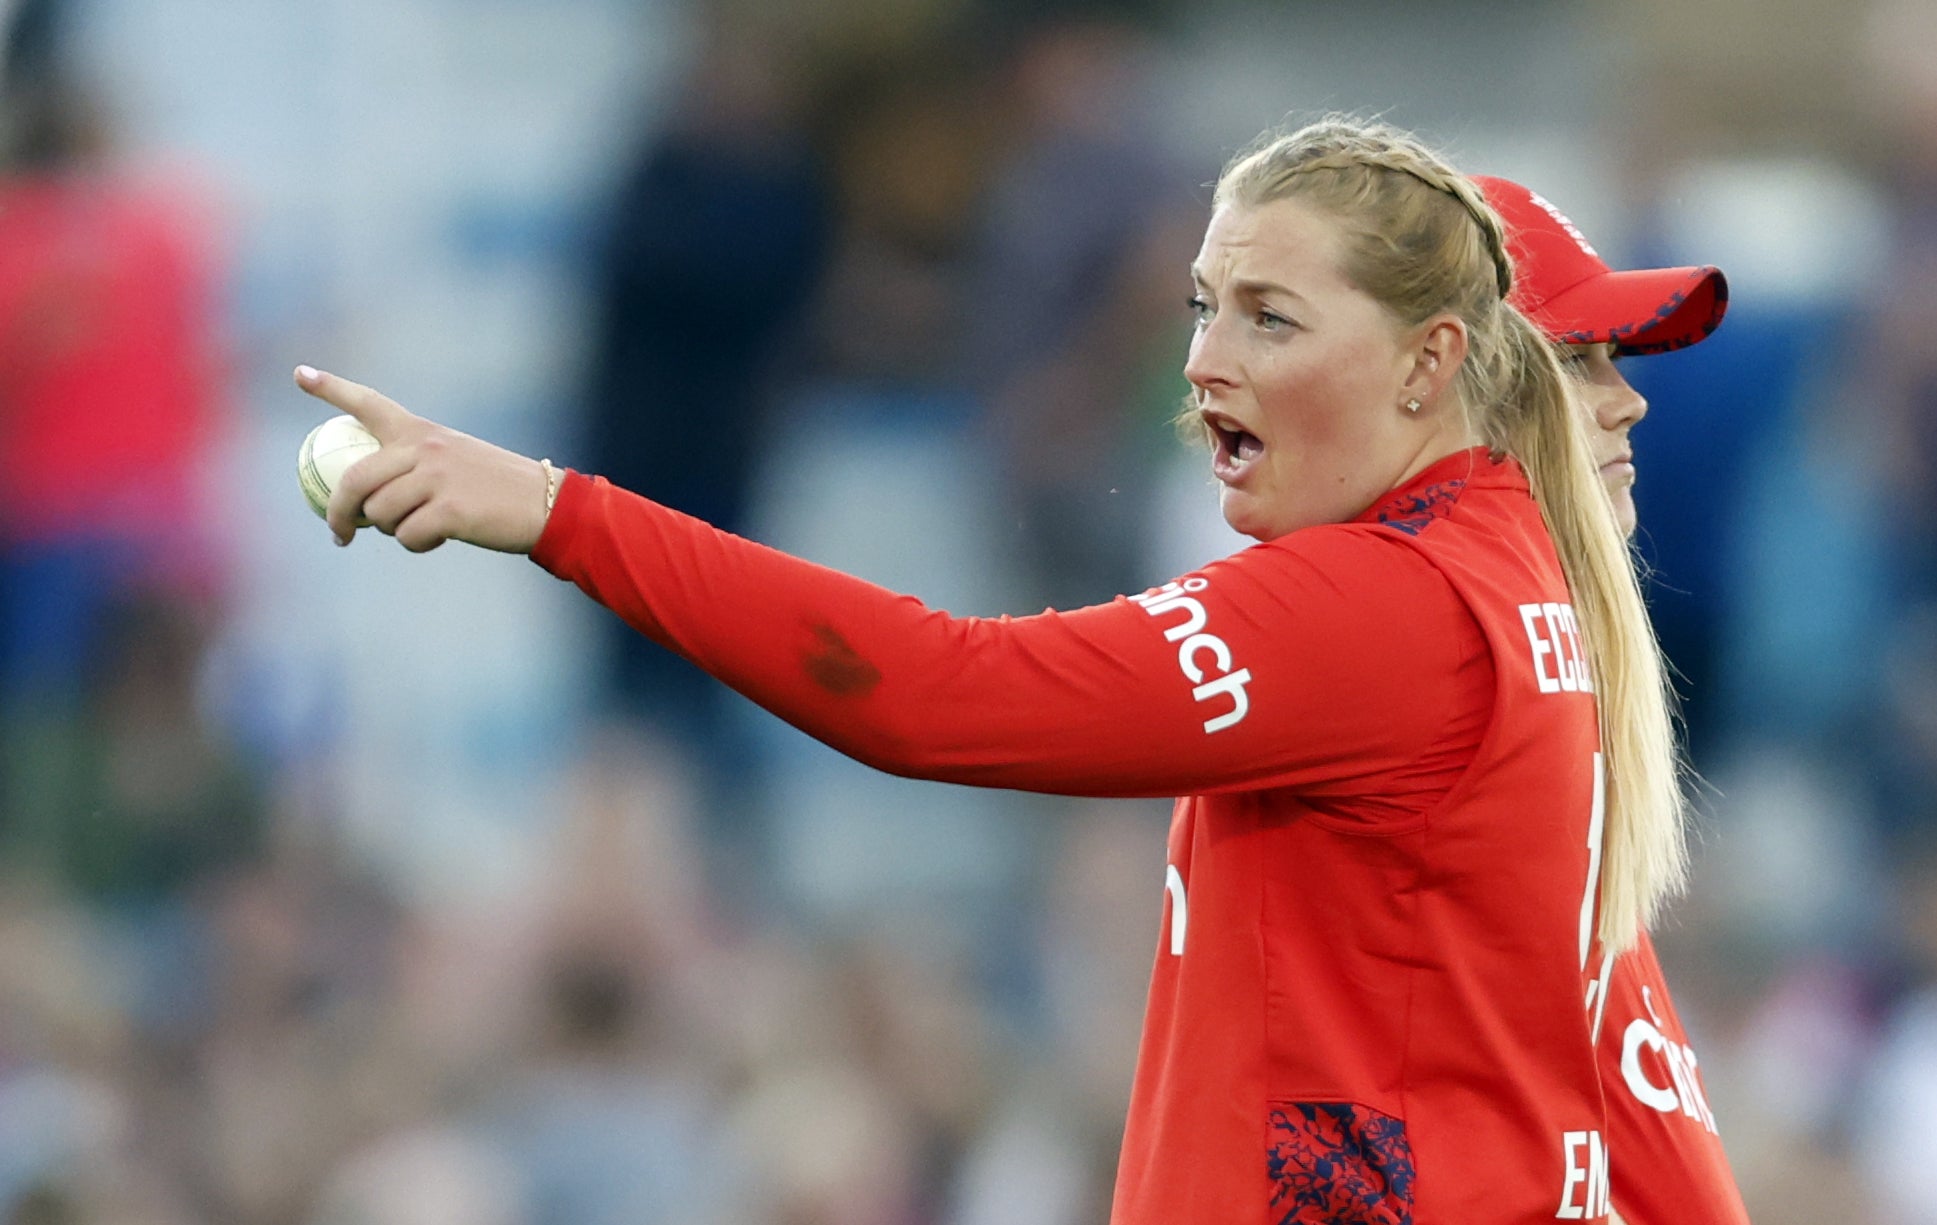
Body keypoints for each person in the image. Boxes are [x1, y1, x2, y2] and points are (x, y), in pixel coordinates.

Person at [294, 117, 1686, 1224]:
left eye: (1269, 317)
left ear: (1435, 364)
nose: (1198, 361)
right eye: (1208, 307)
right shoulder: (1526, 611)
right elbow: (1641, 1092)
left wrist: (558, 510)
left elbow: (935, 692)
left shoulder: (1386, 602)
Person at [1475, 173, 1747, 1225]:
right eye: (1579, 359)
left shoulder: (1545, 639)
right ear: (1461, 377)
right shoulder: (1407, 631)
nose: (1627, 396)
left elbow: (1625, 1050)